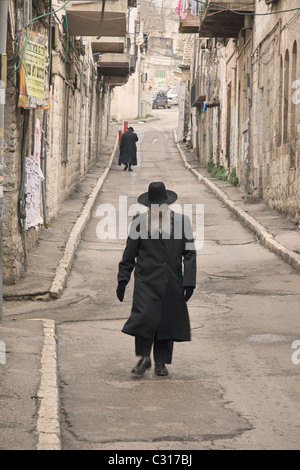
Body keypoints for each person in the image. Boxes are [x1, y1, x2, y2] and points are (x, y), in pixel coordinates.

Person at [116, 182, 196, 377]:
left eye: (161, 206)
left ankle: (161, 362)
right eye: (154, 206)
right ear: (148, 207)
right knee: (144, 318)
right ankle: (144, 358)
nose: (158, 209)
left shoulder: (182, 222)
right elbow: (129, 254)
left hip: (171, 280)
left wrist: (189, 281)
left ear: (167, 205)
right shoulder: (139, 222)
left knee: (166, 321)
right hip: (146, 281)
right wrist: (122, 280)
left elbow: (190, 254)